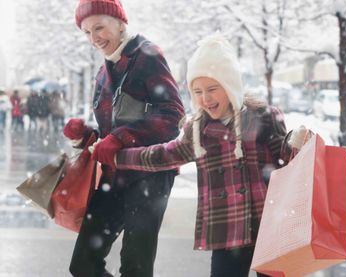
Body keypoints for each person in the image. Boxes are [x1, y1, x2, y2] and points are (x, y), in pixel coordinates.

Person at [111, 34, 309, 277]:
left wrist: (295, 143)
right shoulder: (198, 131)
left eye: (212, 89)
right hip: (227, 233)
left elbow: (285, 160)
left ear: (230, 86)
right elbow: (161, 155)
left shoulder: (262, 118)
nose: (205, 98)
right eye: (198, 91)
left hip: (268, 228)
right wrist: (118, 157)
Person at [62, 0, 185, 276]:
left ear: (120, 24)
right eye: (86, 32)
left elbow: (172, 115)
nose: (94, 38)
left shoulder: (147, 55)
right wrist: (84, 136)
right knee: (82, 264)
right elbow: (107, 133)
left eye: (99, 27)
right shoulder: (102, 73)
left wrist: (120, 137)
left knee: (136, 267)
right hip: (113, 177)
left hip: (150, 174)